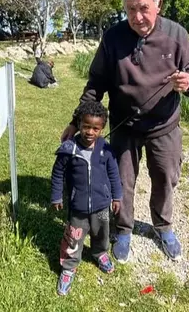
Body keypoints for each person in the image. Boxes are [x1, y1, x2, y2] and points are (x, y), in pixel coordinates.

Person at [60, 0, 189, 264]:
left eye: (143, 9)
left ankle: (163, 227)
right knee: (122, 181)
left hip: (165, 126)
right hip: (124, 125)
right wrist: (77, 122)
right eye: (129, 10)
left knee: (166, 178)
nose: (136, 17)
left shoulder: (177, 34)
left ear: (158, 5)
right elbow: (96, 83)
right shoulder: (113, 37)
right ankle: (123, 229)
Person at [51, 101, 122, 296]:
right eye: (86, 126)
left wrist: (117, 196)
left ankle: (100, 253)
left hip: (101, 206)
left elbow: (114, 174)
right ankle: (68, 267)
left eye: (95, 128)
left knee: (102, 234)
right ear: (79, 124)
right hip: (78, 207)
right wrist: (56, 196)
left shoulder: (105, 150)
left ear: (102, 128)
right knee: (74, 238)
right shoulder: (69, 149)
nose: (90, 132)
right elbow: (57, 174)